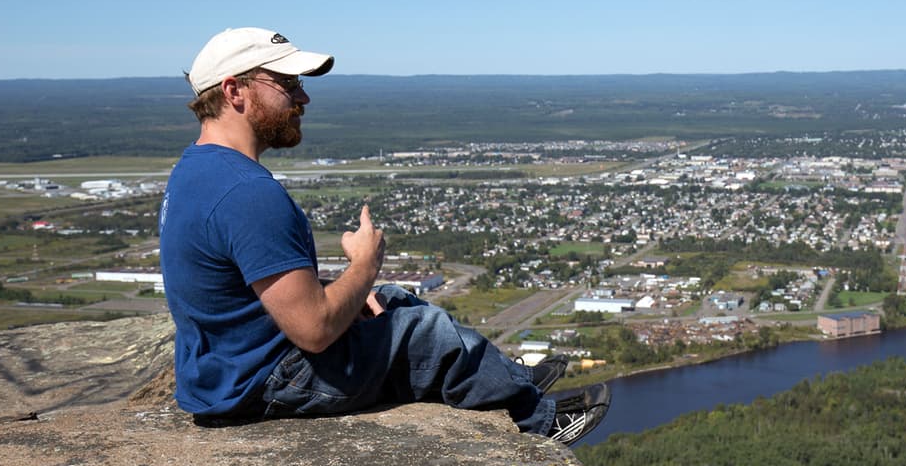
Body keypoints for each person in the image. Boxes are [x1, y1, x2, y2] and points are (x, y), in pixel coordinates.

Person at [159, 27, 609, 445]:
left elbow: (246, 294)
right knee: (425, 330)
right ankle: (541, 423)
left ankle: (511, 377)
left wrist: (358, 292)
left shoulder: (196, 170)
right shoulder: (247, 192)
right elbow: (313, 332)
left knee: (388, 299)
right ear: (234, 90)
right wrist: (365, 263)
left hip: (223, 369)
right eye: (287, 84)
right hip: (267, 381)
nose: (304, 97)